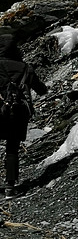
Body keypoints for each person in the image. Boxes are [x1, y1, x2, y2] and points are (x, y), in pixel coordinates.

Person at [0, 34, 47, 199]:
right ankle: (9, 187)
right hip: (18, 113)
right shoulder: (25, 67)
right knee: (12, 149)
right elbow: (42, 90)